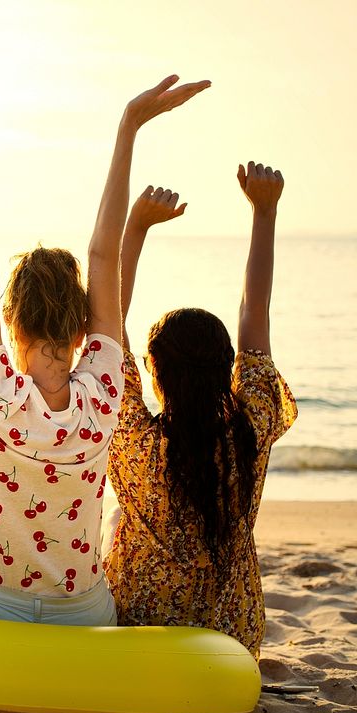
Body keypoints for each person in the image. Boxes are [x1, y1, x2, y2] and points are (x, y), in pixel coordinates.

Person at [0, 75, 210, 624]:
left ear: (11, 324)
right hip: (82, 613)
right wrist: (128, 127)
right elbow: (105, 259)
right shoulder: (105, 390)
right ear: (83, 330)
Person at [105, 165, 297, 658]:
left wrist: (136, 226)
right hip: (231, 640)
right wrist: (265, 212)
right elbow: (256, 310)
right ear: (227, 369)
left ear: (153, 373)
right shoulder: (249, 427)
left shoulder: (136, 442)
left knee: (114, 519)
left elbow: (106, 320)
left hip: (141, 632)